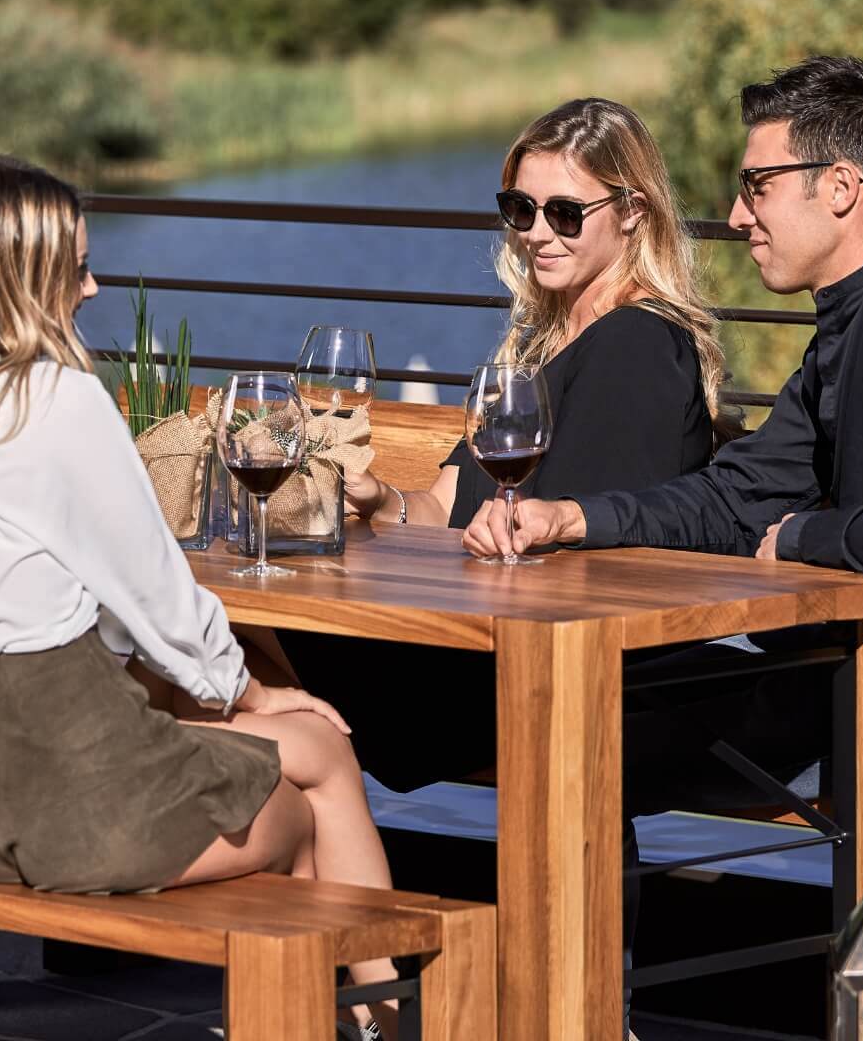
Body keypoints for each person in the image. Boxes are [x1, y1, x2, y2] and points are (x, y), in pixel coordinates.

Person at [0, 154, 405, 1040]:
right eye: (75, 270)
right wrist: (257, 694)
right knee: (320, 757)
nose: (95, 287)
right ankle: (387, 1018)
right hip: (95, 809)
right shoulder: (53, 399)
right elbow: (160, 601)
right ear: (15, 285)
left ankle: (366, 1020)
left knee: (276, 762)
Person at [467, 56, 863, 797]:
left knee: (572, 735)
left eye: (758, 186)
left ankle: (565, 916)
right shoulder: (860, 315)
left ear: (842, 187)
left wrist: (798, 539)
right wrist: (571, 518)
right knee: (564, 715)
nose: (739, 215)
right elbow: (731, 495)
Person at [264, 96, 738, 791]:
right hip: (480, 647)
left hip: (533, 684)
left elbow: (588, 575)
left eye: (566, 213)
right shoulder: (547, 350)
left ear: (634, 210)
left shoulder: (634, 346)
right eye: (521, 209)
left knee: (225, 638)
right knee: (236, 646)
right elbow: (437, 510)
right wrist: (374, 497)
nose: (537, 234)